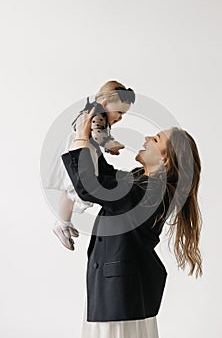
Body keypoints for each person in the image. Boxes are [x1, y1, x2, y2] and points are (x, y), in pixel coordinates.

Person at [61, 108, 203, 337]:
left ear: (165, 159)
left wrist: (80, 137)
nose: (147, 138)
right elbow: (105, 176)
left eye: (156, 139)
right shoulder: (141, 180)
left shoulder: (153, 192)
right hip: (115, 296)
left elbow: (92, 187)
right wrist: (95, 139)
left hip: (120, 300)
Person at [48, 80, 135, 250]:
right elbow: (97, 134)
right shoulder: (97, 113)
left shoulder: (98, 112)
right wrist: (110, 145)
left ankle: (64, 222)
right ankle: (62, 223)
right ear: (105, 103)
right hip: (80, 149)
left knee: (71, 190)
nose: (119, 118)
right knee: (75, 188)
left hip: (85, 149)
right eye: (119, 112)